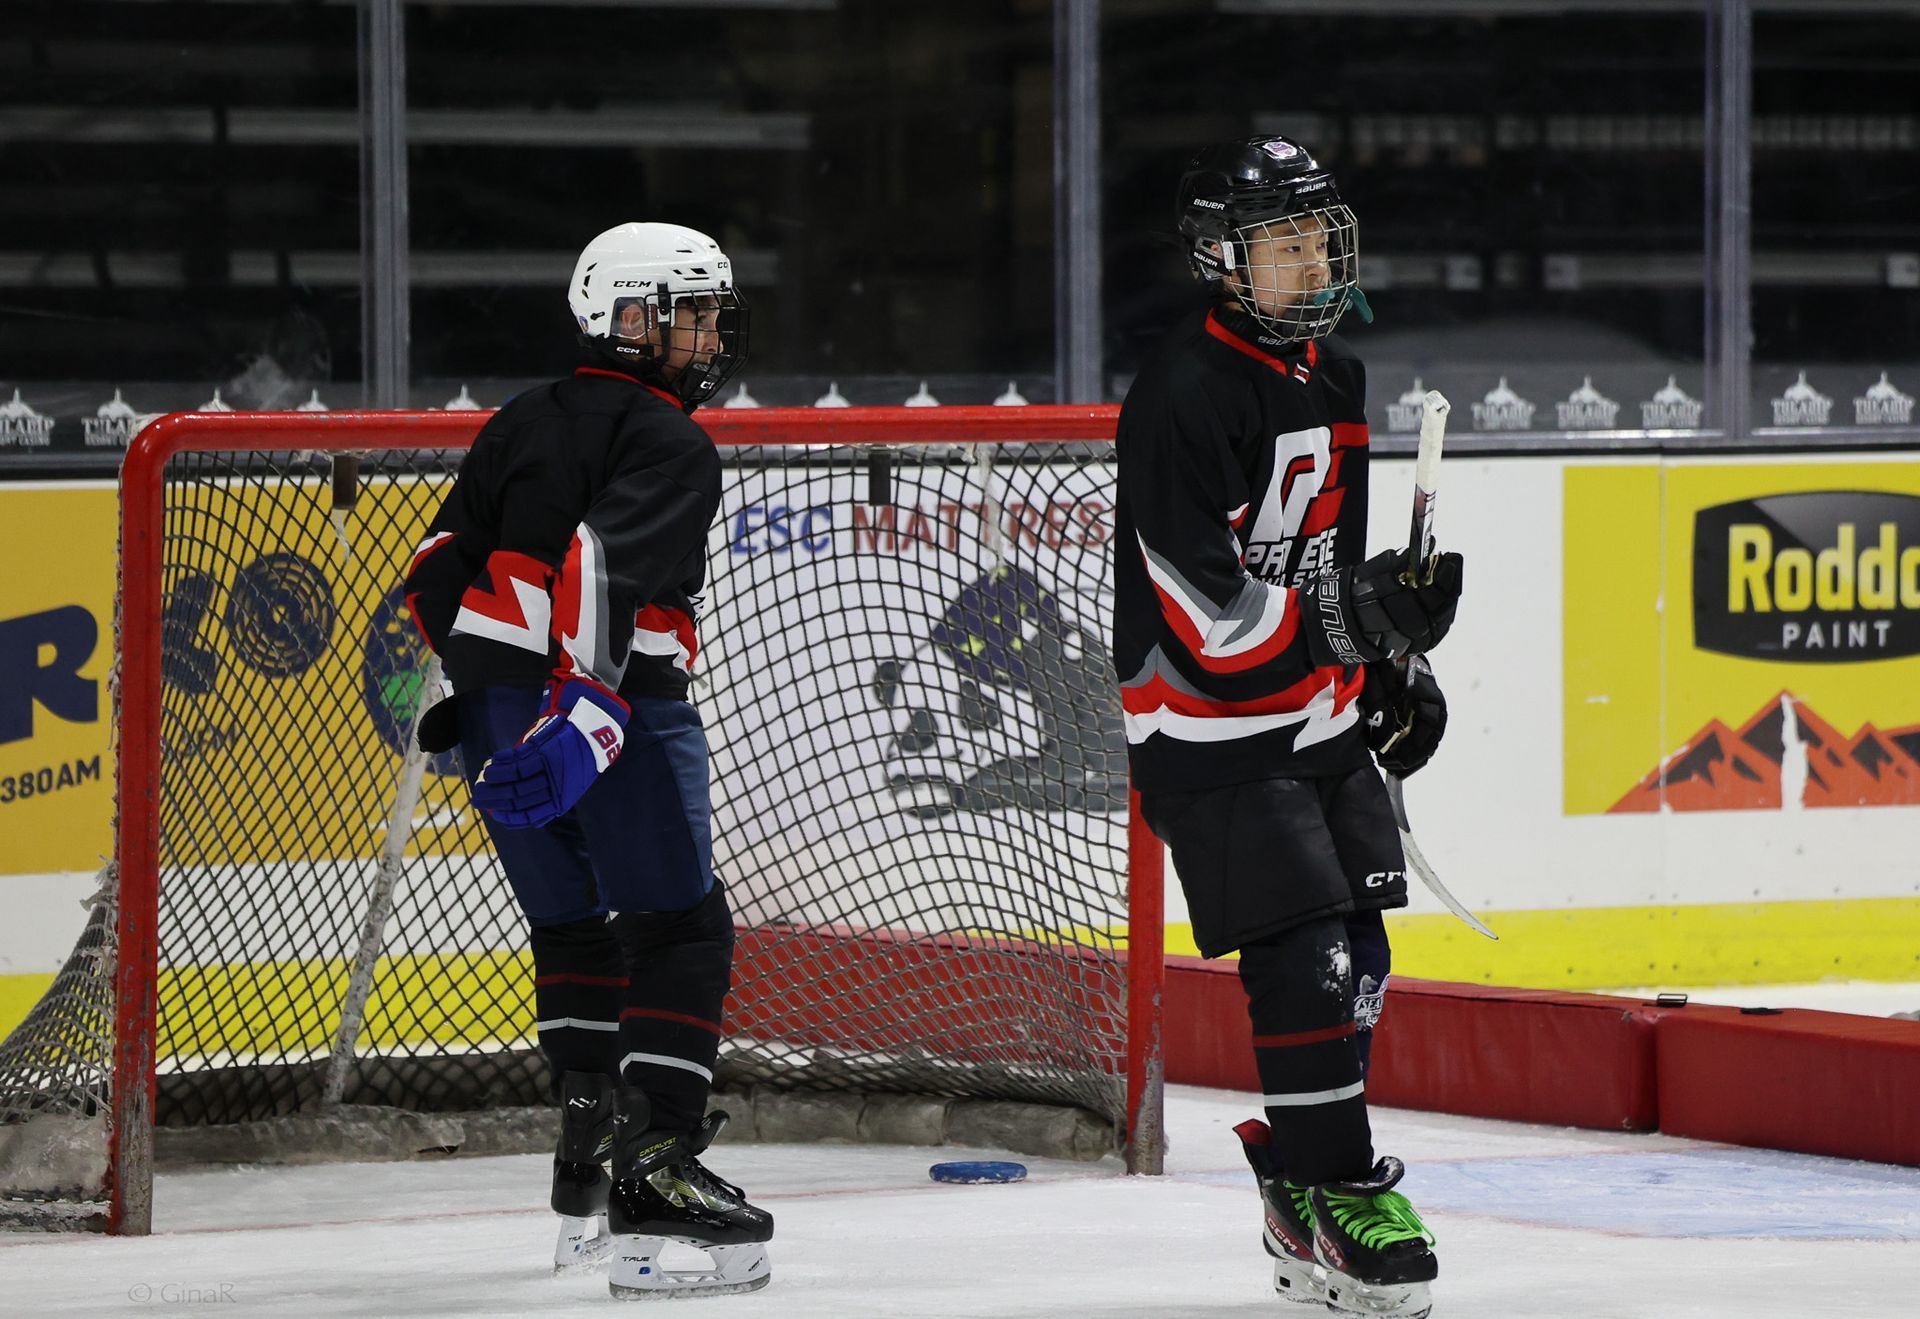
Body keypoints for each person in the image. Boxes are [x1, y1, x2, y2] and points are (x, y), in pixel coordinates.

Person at [1111, 137, 1462, 1318]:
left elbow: (1321, 570)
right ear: (1221, 257)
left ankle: (1296, 1189)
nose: (1313, 259)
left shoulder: (1336, 376)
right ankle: (1340, 1181)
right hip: (1205, 730)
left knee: (1361, 957)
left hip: (1307, 715)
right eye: (1284, 242)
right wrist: (1351, 619)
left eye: (1320, 235)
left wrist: (1381, 669)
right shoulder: (1181, 393)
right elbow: (1206, 613)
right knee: (1306, 957)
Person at [403, 221, 773, 1299]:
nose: (708, 336)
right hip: (608, 712)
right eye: (689, 313)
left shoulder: (519, 418)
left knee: (570, 925)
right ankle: (653, 1171)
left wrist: (482, 691)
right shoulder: (670, 439)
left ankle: (584, 1156)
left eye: (711, 315)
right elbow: (600, 570)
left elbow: (434, 567)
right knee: (680, 929)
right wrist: (586, 718)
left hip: (492, 720)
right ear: (625, 316)